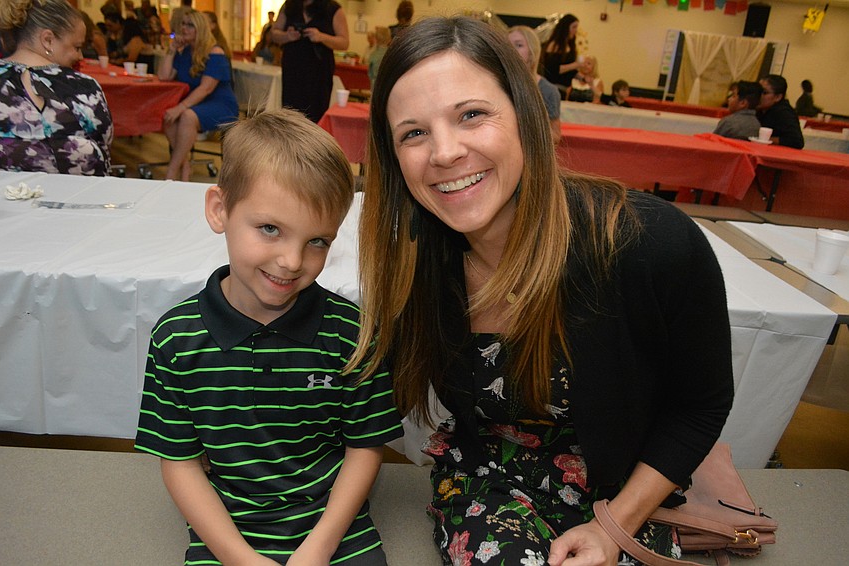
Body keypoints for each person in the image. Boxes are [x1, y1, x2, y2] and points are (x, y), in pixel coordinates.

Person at [349, 16, 734, 566]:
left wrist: (613, 527)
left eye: (472, 115)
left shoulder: (650, 244)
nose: (445, 152)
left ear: (526, 117)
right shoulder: (417, 259)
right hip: (489, 480)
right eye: (414, 132)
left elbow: (701, 406)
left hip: (625, 488)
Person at [134, 108, 404, 566]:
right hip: (226, 527)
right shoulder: (175, 338)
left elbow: (365, 446)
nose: (292, 261)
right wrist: (240, 558)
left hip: (334, 525)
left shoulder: (354, 333)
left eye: (317, 240)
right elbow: (179, 462)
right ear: (220, 210)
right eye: (270, 229)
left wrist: (318, 548)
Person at [0, 0, 112, 175]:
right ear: (48, 40)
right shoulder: (84, 87)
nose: (80, 55)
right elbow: (103, 147)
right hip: (79, 196)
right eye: (77, 47)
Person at [158, 9, 238, 180]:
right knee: (169, 117)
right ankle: (185, 166)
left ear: (200, 29)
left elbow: (206, 88)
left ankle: (172, 170)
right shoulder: (185, 51)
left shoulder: (215, 52)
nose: (184, 28)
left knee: (185, 115)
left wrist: (179, 108)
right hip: (196, 103)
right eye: (183, 24)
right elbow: (164, 77)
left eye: (190, 25)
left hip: (221, 104)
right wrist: (171, 49)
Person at [271, 0, 349, 123]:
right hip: (293, 69)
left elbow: (344, 42)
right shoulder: (289, 6)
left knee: (316, 112)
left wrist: (321, 37)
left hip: (319, 71)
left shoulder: (332, 9)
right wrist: (287, 36)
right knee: (290, 111)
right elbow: (274, 33)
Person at [508, 25, 561, 145]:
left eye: (519, 45)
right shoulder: (496, 85)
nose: (511, 50)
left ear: (532, 51)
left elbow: (556, 136)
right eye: (508, 45)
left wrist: (529, 128)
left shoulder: (548, 91)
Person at [757, 74, 804, 149]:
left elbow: (796, 141)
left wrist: (763, 139)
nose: (758, 96)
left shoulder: (784, 112)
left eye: (765, 93)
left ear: (778, 97)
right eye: (757, 91)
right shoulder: (759, 109)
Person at [541, 14, 581, 100]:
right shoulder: (554, 46)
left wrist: (583, 78)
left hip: (565, 89)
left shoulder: (570, 46)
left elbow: (570, 71)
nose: (575, 30)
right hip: (552, 88)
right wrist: (576, 65)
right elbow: (552, 70)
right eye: (574, 27)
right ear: (566, 27)